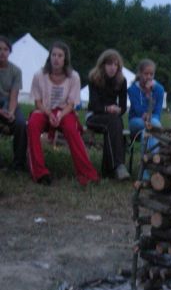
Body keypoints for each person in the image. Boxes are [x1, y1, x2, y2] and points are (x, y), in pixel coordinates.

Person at [27, 41, 99, 186]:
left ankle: (86, 174)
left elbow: (71, 104)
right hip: (44, 110)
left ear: (65, 58)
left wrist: (59, 115)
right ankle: (40, 173)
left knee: (71, 129)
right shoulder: (39, 75)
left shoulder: (73, 77)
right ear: (49, 57)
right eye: (53, 55)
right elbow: (38, 102)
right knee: (33, 124)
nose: (56, 58)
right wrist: (49, 114)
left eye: (60, 55)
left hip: (65, 111)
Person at [86, 49, 130, 180]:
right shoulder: (94, 78)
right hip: (93, 115)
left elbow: (122, 107)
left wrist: (118, 110)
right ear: (103, 64)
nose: (113, 67)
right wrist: (107, 108)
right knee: (114, 122)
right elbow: (93, 104)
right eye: (110, 64)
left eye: (116, 65)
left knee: (115, 122)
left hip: (111, 118)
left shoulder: (122, 81)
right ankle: (118, 166)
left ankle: (108, 171)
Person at [0, 35, 27, 170]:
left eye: (5, 49)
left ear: (9, 52)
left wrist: (10, 112)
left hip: (9, 103)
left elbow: (14, 95)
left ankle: (19, 164)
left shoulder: (16, 71)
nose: (2, 52)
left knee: (21, 123)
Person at [128, 59, 165, 154]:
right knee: (153, 126)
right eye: (146, 74)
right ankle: (153, 161)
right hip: (136, 120)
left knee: (148, 130)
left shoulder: (159, 89)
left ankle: (146, 165)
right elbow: (138, 110)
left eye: (151, 74)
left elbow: (157, 112)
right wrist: (147, 95)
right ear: (140, 74)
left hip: (152, 122)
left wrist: (151, 118)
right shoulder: (133, 89)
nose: (148, 77)